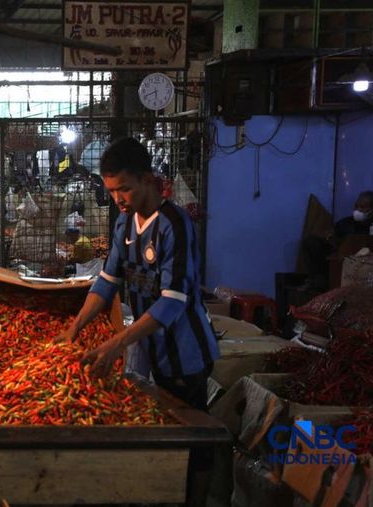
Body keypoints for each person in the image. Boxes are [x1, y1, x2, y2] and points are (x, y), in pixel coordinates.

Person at [57, 138, 218, 507]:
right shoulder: (124, 225)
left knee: (192, 438)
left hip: (183, 352)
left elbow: (173, 301)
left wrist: (117, 343)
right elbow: (106, 282)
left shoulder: (174, 225)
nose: (118, 198)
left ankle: (198, 498)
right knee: (157, 431)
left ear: (148, 179)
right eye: (112, 190)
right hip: (149, 347)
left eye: (124, 188)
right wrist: (75, 327)